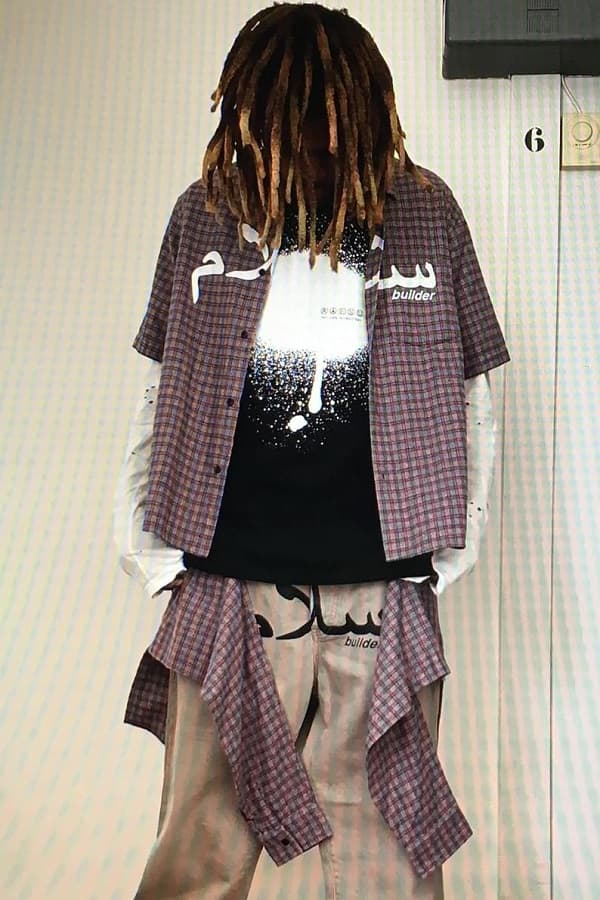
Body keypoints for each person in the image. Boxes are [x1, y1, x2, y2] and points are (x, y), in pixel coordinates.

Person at [114, 3, 510, 898]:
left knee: (386, 861)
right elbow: (161, 381)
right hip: (225, 585)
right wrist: (149, 551)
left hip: (385, 589)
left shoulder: (428, 212)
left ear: (366, 114)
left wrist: (451, 548)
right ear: (250, 119)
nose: (315, 148)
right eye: (291, 126)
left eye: (332, 126)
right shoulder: (203, 216)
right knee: (198, 853)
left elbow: (473, 387)